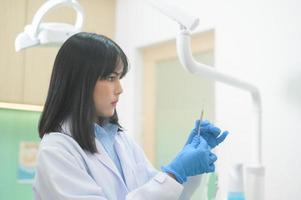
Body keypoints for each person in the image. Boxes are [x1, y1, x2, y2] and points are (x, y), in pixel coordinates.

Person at [33, 32, 229, 200]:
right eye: (111, 78)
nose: (120, 89)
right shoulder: (57, 150)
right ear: (80, 82)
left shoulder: (119, 139)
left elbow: (159, 194)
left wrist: (188, 166)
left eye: (119, 78)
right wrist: (175, 172)